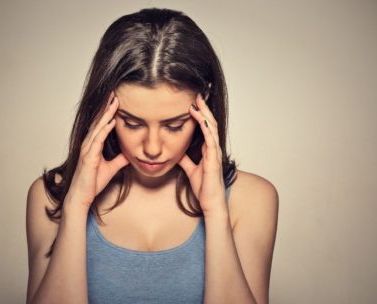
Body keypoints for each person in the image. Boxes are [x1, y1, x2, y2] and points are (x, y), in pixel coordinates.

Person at [25, 7, 278, 304]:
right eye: (132, 123)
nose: (153, 147)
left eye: (174, 125)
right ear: (104, 106)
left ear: (205, 103)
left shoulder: (253, 199)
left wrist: (215, 212)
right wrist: (76, 207)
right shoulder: (50, 197)